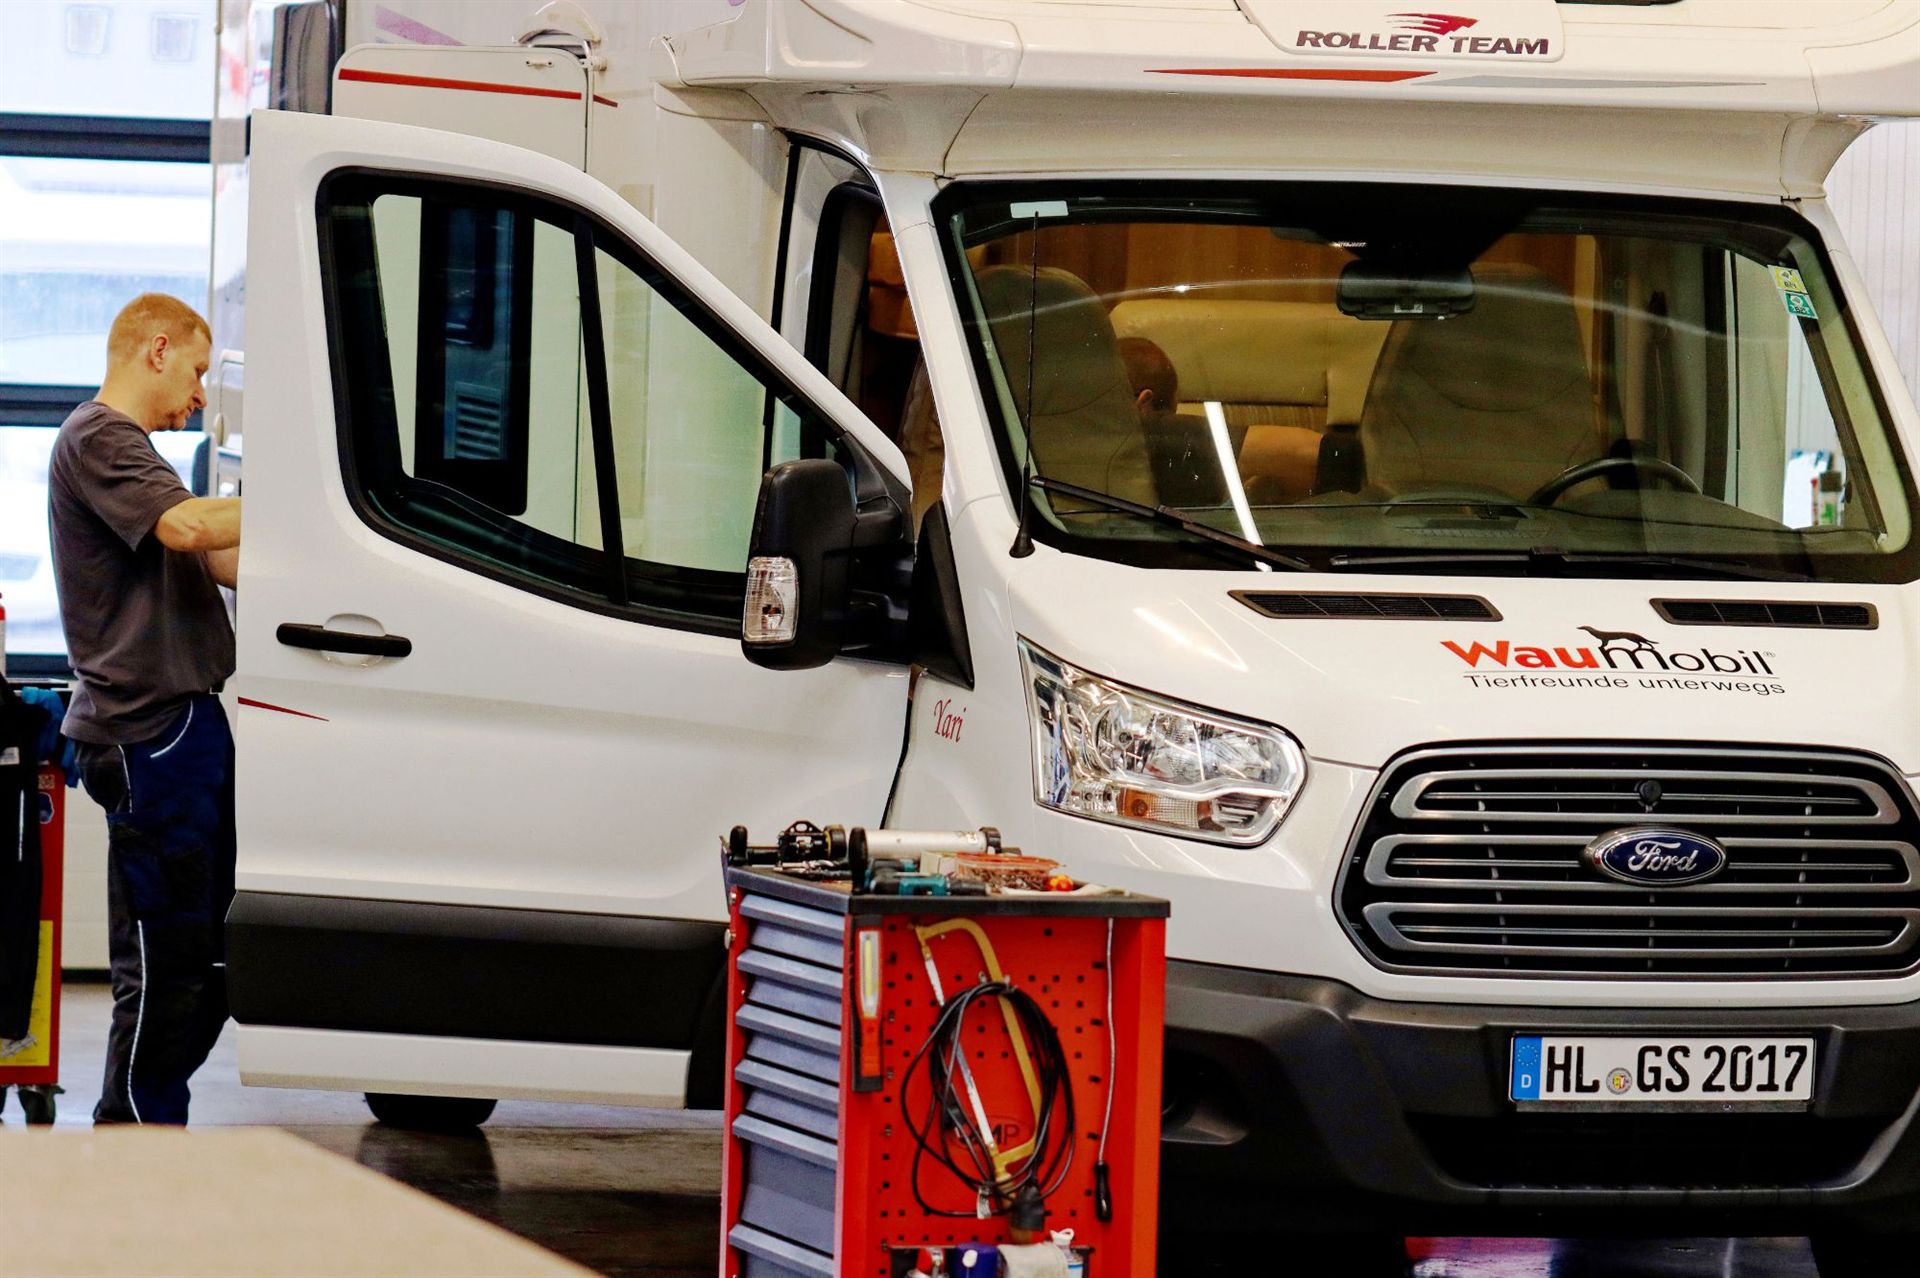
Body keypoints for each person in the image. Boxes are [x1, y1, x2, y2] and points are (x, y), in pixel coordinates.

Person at [47, 293, 240, 1125]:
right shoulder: (98, 438)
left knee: (210, 961)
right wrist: (309, 497)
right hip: (148, 734)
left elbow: (220, 558)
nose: (198, 394)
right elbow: (190, 530)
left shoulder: (140, 458)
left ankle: (146, 1119)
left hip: (186, 727)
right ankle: (132, 1134)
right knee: (166, 966)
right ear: (157, 349)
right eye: (195, 370)